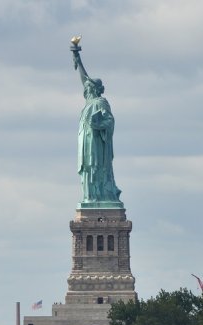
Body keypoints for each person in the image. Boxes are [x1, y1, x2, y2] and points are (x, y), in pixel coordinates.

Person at [71, 37, 123, 206]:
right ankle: (90, 197)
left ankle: (98, 196)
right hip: (87, 143)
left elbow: (109, 121)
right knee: (87, 169)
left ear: (94, 89)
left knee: (95, 168)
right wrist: (77, 58)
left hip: (97, 145)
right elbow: (84, 78)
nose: (85, 88)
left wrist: (97, 124)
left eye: (88, 87)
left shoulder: (100, 103)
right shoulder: (89, 103)